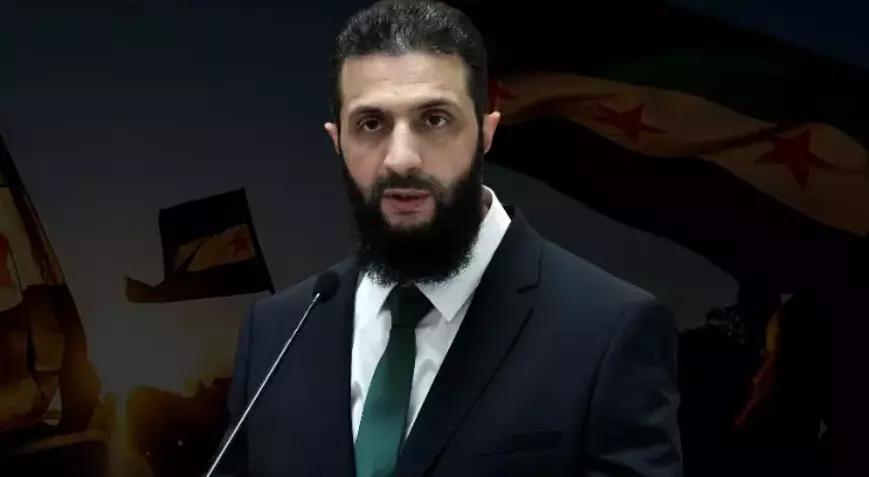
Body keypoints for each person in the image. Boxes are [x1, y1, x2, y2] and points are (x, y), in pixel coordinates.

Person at [220, 1, 682, 476]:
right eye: (371, 124)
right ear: (337, 141)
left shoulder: (609, 330)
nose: (401, 159)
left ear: (486, 132)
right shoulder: (275, 333)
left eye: (435, 119)